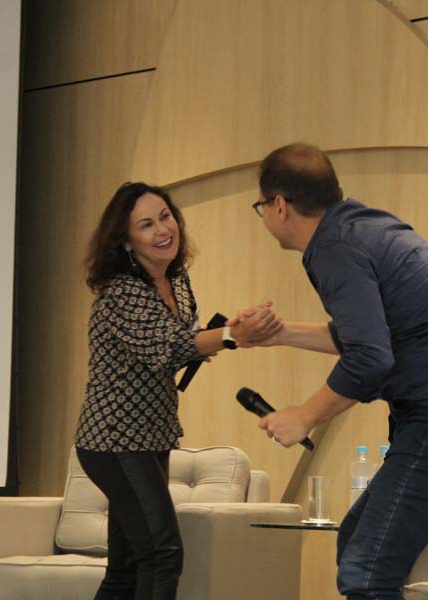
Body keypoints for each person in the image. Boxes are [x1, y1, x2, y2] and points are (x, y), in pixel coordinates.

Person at [234, 143, 428, 600]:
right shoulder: (357, 229)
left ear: (280, 205)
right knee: (355, 545)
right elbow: (371, 337)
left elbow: (370, 358)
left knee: (366, 572)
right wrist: (281, 333)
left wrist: (305, 415)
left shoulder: (334, 249)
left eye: (261, 206)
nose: (265, 216)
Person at [74, 181, 281, 600]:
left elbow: (183, 341)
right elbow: (168, 346)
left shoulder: (176, 280)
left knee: (127, 568)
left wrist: (230, 332)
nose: (163, 230)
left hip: (153, 434)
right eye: (146, 225)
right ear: (126, 241)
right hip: (114, 440)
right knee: (162, 553)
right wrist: (230, 334)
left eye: (165, 217)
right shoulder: (121, 292)